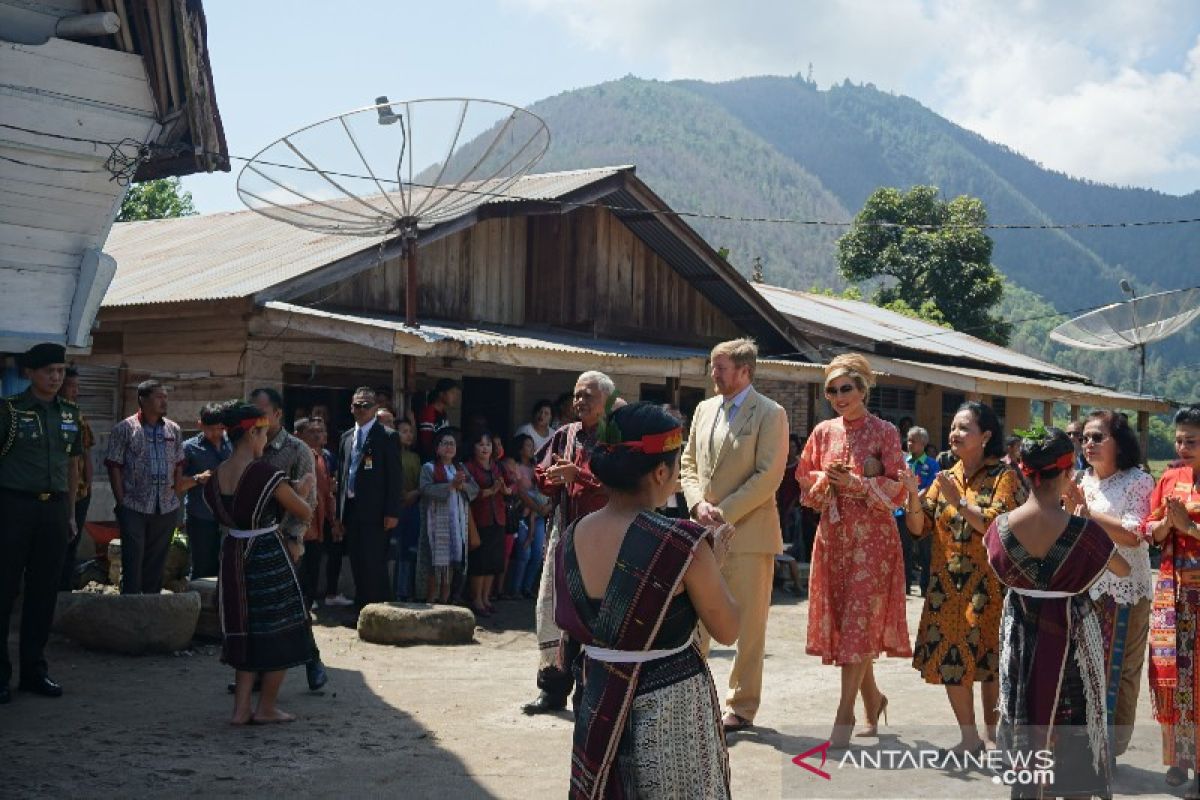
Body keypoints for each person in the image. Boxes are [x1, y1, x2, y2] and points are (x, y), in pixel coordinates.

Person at [554, 402, 739, 798]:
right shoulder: (680, 542)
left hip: (599, 693)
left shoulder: (571, 536)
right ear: (660, 472)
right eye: (675, 469)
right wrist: (715, 564)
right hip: (670, 704)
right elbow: (727, 628)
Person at [985, 426, 1128, 799]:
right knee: (1075, 724)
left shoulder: (999, 529)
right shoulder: (1085, 533)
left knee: (1024, 712)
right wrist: (1085, 518)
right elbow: (1122, 569)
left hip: (1022, 641)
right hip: (1071, 641)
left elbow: (997, 565)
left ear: (1023, 472)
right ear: (1067, 474)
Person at [798, 353, 909, 747]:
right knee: (849, 626)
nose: (839, 396)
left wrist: (859, 485)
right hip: (834, 539)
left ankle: (843, 716)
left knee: (860, 622)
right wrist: (828, 482)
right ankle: (873, 699)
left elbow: (898, 487)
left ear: (864, 389)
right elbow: (804, 479)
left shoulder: (885, 432)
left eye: (846, 388)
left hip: (874, 542)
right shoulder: (823, 432)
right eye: (832, 390)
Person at [902, 402, 1025, 755]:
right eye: (953, 427)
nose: (954, 434)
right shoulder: (945, 477)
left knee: (989, 664)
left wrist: (959, 503)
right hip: (946, 589)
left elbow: (997, 527)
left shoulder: (1005, 477)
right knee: (953, 662)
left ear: (986, 436)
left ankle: (993, 737)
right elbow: (918, 527)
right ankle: (969, 737)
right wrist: (913, 493)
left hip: (990, 586)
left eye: (964, 428)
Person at [682, 338, 788, 734]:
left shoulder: (771, 414)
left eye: (721, 367)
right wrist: (696, 505)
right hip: (701, 533)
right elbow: (688, 462)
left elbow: (769, 477)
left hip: (748, 535)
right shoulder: (703, 409)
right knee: (696, 619)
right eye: (712, 365)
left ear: (745, 371)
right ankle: (693, 696)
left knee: (748, 626)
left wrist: (722, 513)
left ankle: (741, 707)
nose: (713, 373)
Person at [205, 401, 318, 725]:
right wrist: (304, 489)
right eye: (263, 434)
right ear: (252, 432)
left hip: (232, 555)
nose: (265, 442)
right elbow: (303, 511)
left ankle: (240, 710)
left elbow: (238, 508)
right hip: (266, 556)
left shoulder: (216, 475)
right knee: (278, 630)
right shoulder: (264, 473)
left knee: (245, 630)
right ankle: (266, 707)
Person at [1058, 409, 1154, 765]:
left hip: (1125, 590)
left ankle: (1110, 749)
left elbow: (1133, 533)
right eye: (1084, 438)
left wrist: (1086, 511)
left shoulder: (1138, 481)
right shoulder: (1080, 479)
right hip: (1085, 589)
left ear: (1120, 442)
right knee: (1083, 668)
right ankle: (1086, 744)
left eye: (1098, 437)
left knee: (1118, 671)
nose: (1088, 444)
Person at [524, 371, 614, 715]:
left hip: (603, 537)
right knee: (557, 612)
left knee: (592, 617)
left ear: (605, 399)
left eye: (588, 395)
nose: (580, 401)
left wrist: (580, 476)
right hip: (565, 534)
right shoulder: (564, 435)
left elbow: (622, 483)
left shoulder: (614, 438)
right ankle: (552, 690)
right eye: (576, 395)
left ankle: (589, 697)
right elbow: (542, 475)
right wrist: (552, 477)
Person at [0, 343, 81, 702]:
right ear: (28, 373)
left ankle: (34, 671)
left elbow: (73, 463)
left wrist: (71, 513)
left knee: (43, 593)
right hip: (13, 507)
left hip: (54, 510)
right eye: (49, 370)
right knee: (4, 593)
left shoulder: (69, 413)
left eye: (60, 371)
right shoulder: (10, 411)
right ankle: (0, 676)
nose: (56, 377)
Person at [1145, 405, 1200, 788]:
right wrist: (1167, 524)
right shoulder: (1168, 479)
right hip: (1171, 594)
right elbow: (1151, 530)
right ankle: (1179, 760)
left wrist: (1191, 528)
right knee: (1171, 676)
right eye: (1179, 439)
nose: (1181, 447)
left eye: (1191, 441)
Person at [105, 380, 184, 595]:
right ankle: (130, 603)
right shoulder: (125, 429)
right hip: (134, 505)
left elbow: (178, 466)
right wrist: (121, 502)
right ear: (142, 399)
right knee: (133, 558)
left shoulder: (173, 429)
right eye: (159, 397)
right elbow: (114, 467)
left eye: (165, 397)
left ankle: (151, 604)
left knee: (157, 560)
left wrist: (175, 496)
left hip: (165, 506)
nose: (164, 401)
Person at [334, 387, 402, 609]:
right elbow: (343, 477)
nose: (361, 409)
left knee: (374, 562)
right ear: (350, 407)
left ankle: (379, 608)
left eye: (366, 405)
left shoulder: (387, 437)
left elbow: (394, 477)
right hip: (352, 509)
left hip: (377, 511)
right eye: (357, 405)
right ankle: (361, 607)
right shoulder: (345, 437)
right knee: (356, 561)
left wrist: (392, 512)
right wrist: (338, 515)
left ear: (374, 409)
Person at [417, 429, 478, 602]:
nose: (449, 447)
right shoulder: (428, 468)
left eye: (452, 443)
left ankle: (445, 601)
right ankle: (430, 601)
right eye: (445, 443)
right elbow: (425, 490)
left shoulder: (461, 468)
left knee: (452, 564)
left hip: (457, 524)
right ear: (437, 448)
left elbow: (475, 490)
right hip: (435, 525)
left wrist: (462, 486)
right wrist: (451, 485)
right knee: (434, 565)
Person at [178, 403, 230, 579]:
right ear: (200, 425)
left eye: (220, 428)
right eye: (211, 429)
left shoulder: (233, 445)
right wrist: (197, 478)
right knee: (201, 569)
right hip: (200, 517)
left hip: (228, 519)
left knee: (226, 568)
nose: (216, 434)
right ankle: (198, 605)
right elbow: (176, 484)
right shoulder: (188, 448)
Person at [463, 430, 511, 616]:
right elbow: (471, 493)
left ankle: (486, 598)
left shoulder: (498, 466)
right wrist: (491, 490)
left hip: (498, 517)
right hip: (478, 519)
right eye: (481, 444)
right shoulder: (468, 467)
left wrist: (506, 489)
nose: (485, 448)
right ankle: (476, 600)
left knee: (493, 562)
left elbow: (513, 484)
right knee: (480, 562)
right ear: (473, 447)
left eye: (488, 444)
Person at [57, 366, 94, 590]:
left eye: (77, 387)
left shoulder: (77, 415)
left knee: (72, 544)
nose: (75, 391)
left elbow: (86, 452)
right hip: (56, 491)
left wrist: (88, 484)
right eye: (71, 386)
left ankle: (64, 589)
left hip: (80, 491)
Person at [295, 418, 335, 612]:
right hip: (301, 521)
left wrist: (333, 520)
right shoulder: (297, 456)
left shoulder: (322, 458)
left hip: (319, 521)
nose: (318, 435)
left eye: (320, 431)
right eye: (312, 432)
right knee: (300, 567)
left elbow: (326, 492)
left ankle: (307, 604)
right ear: (300, 435)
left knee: (314, 566)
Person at [506, 434, 551, 599]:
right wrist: (539, 508)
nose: (532, 449)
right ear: (520, 449)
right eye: (528, 446)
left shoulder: (537, 467)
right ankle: (515, 589)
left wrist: (540, 509)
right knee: (524, 553)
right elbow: (521, 492)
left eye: (532, 446)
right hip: (522, 515)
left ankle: (527, 587)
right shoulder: (514, 466)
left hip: (537, 515)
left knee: (538, 553)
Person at [902, 426, 939, 596]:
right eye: (908, 440)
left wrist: (915, 499)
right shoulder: (903, 462)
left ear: (923, 443)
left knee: (926, 554)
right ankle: (905, 586)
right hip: (902, 513)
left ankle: (925, 587)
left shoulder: (932, 464)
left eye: (914, 441)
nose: (909, 444)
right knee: (904, 551)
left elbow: (931, 486)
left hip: (924, 514)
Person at [392, 419, 422, 600]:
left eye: (411, 431)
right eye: (404, 431)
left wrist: (414, 494)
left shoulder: (415, 458)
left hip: (412, 508)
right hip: (395, 508)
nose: (409, 435)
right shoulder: (391, 454)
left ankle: (406, 591)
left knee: (410, 551)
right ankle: (394, 591)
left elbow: (420, 483)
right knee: (395, 550)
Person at [418, 378, 461, 459]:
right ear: (441, 394)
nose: (455, 397)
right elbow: (426, 441)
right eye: (452, 393)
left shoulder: (443, 413)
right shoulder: (429, 411)